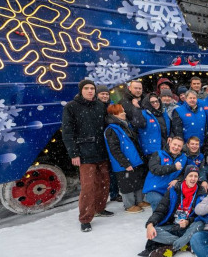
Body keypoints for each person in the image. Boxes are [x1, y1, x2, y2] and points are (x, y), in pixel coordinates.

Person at [62, 79, 113, 232]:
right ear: (81, 90)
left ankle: (99, 208)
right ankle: (85, 218)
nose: (90, 91)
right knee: (88, 187)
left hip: (101, 151)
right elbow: (67, 132)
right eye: (87, 88)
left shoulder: (100, 106)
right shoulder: (71, 107)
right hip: (84, 154)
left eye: (92, 88)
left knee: (104, 183)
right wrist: (74, 153)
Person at [143, 165, 206, 257]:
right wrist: (150, 224)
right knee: (154, 231)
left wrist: (188, 221)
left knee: (200, 224)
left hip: (188, 227)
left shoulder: (201, 192)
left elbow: (200, 215)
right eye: (190, 176)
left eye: (195, 176)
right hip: (173, 226)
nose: (193, 179)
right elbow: (161, 209)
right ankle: (184, 243)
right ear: (185, 177)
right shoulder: (174, 190)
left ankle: (173, 245)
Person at [104, 104, 149, 214]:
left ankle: (139, 201)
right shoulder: (111, 130)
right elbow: (114, 150)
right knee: (127, 184)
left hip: (134, 160)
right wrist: (125, 163)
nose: (124, 113)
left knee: (137, 181)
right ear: (114, 115)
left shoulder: (124, 125)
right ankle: (129, 205)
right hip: (124, 163)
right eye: (121, 112)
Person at [142, 136, 188, 210]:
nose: (176, 147)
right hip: (154, 190)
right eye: (174, 144)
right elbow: (154, 169)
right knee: (159, 203)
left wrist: (178, 179)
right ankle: (157, 221)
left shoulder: (184, 158)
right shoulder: (158, 154)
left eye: (179, 146)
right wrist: (174, 167)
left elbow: (185, 173)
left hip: (170, 190)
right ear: (170, 143)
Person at [96, 85, 121, 203]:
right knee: (103, 172)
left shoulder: (111, 106)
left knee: (112, 169)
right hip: (100, 142)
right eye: (102, 94)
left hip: (111, 140)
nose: (105, 96)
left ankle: (114, 193)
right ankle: (104, 196)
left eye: (106, 94)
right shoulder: (95, 107)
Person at [138, 93, 171, 158]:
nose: (155, 104)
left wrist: (171, 136)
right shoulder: (143, 114)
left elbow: (171, 126)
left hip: (165, 146)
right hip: (152, 149)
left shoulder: (163, 112)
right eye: (152, 102)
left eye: (156, 101)